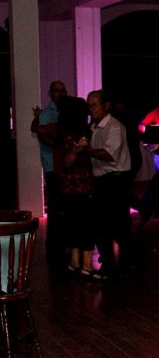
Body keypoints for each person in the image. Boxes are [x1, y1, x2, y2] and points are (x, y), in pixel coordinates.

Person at [79, 90, 133, 279]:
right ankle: (110, 266)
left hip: (116, 180)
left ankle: (124, 266)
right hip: (103, 180)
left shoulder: (114, 126)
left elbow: (109, 154)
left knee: (118, 225)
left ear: (106, 105)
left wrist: (86, 150)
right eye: (89, 105)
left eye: (95, 104)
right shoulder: (94, 127)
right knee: (102, 225)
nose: (91, 109)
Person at [56, 96, 100, 278]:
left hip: (70, 186)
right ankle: (87, 265)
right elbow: (67, 161)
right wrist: (78, 149)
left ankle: (74, 262)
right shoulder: (76, 134)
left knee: (74, 224)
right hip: (81, 185)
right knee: (86, 224)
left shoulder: (65, 132)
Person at [31, 80, 67, 262]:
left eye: (62, 90)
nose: (60, 93)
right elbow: (42, 137)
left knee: (62, 203)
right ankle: (54, 243)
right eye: (56, 90)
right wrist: (61, 145)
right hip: (53, 165)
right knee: (55, 203)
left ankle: (60, 241)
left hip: (62, 164)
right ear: (50, 93)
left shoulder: (64, 111)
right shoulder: (46, 114)